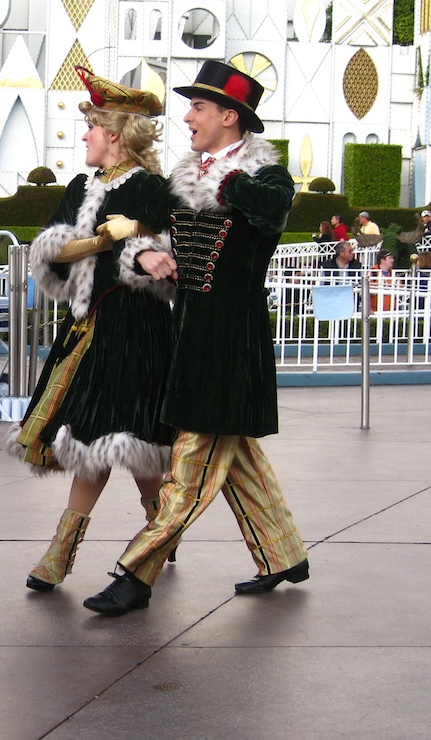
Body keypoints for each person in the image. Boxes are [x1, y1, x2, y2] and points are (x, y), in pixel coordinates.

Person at [82, 60, 308, 617]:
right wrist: (146, 253)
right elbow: (141, 231)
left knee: (190, 465)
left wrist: (221, 178)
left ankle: (135, 574)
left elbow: (273, 208)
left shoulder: (265, 178)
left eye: (199, 108)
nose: (187, 117)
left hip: (232, 343)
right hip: (188, 336)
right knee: (235, 459)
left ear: (230, 117)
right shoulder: (183, 176)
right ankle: (284, 554)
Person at [5, 66, 175, 593]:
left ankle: (62, 555)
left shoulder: (150, 187)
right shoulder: (80, 185)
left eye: (93, 127)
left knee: (115, 439)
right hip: (88, 328)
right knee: (122, 443)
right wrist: (104, 240)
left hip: (134, 329)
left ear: (117, 134)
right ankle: (161, 532)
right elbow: (51, 248)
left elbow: (167, 251)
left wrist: (135, 243)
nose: (84, 135)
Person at [369, 248, 398, 313]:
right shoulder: (373, 273)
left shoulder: (394, 273)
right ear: (382, 260)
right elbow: (367, 291)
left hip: (392, 312)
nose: (392, 260)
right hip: (376, 312)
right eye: (390, 258)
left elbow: (400, 289)